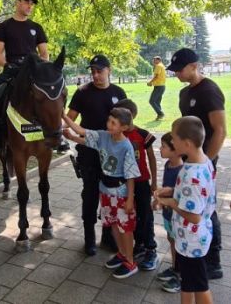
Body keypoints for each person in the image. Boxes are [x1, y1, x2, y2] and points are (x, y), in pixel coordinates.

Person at [167, 47, 225, 279]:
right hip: (189, 160)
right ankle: (189, 252)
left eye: (180, 70)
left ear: (194, 66)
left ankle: (213, 262)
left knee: (206, 210)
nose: (177, 74)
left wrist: (206, 164)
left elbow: (220, 131)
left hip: (203, 162)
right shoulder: (184, 93)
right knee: (187, 202)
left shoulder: (210, 90)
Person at [62, 108, 141, 279]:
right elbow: (82, 133)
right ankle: (121, 254)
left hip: (120, 193)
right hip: (105, 191)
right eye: (109, 121)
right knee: (113, 224)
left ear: (124, 127)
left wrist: (129, 199)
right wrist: (66, 122)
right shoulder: (104, 136)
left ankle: (130, 261)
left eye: (114, 123)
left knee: (125, 228)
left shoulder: (126, 146)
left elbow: (130, 176)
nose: (109, 125)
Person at [66, 54, 127, 256]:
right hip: (89, 155)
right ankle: (89, 238)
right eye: (92, 71)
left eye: (99, 71)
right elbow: (70, 118)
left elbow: (126, 124)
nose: (95, 75)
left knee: (111, 196)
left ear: (109, 70)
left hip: (112, 157)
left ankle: (108, 238)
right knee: (90, 195)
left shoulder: (119, 92)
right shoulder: (82, 92)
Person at [155, 116, 215, 304]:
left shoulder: (193, 176)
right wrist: (173, 190)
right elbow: (196, 195)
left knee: (199, 285)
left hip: (192, 239)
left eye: (174, 138)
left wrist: (170, 201)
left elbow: (194, 216)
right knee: (188, 282)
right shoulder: (202, 160)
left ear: (187, 143)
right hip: (191, 237)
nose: (172, 141)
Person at [0, 0, 49, 154]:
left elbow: (44, 53)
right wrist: (6, 64)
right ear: (17, 3)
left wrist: (41, 67)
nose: (29, 6)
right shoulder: (4, 27)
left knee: (53, 95)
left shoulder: (36, 28)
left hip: (32, 71)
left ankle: (55, 135)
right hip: (12, 70)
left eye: (31, 3)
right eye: (27, 2)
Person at [113, 98, 159, 271]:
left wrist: (154, 181)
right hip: (123, 184)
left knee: (145, 215)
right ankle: (137, 245)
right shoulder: (116, 135)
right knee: (130, 216)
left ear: (130, 115)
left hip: (141, 183)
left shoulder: (142, 135)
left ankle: (150, 249)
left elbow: (152, 159)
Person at [154, 132, 184, 293]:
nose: (160, 149)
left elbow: (179, 194)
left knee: (179, 244)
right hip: (167, 213)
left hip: (177, 215)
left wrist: (162, 197)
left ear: (176, 150)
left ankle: (182, 276)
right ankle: (175, 267)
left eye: (164, 146)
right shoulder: (168, 165)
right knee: (171, 240)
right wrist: (158, 198)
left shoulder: (182, 170)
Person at [147, 56, 167, 120]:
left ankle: (160, 114)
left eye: (154, 60)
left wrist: (150, 82)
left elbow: (156, 76)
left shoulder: (158, 66)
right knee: (157, 102)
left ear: (158, 60)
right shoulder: (162, 66)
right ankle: (160, 115)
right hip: (161, 86)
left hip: (159, 86)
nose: (153, 61)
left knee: (152, 101)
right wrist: (152, 83)